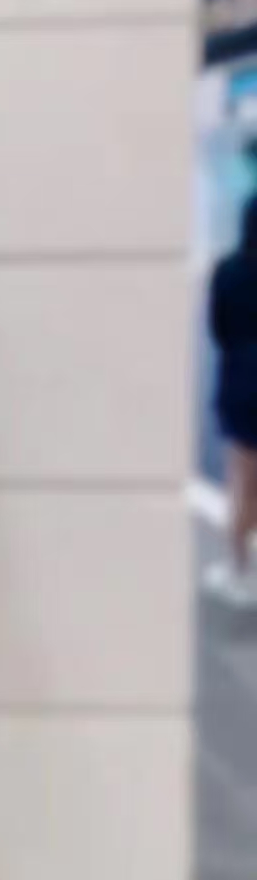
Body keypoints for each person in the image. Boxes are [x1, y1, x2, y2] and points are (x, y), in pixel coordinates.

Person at [206, 190, 257, 607]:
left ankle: (240, 571)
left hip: (241, 383)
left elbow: (218, 329)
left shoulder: (227, 271)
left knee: (242, 480)